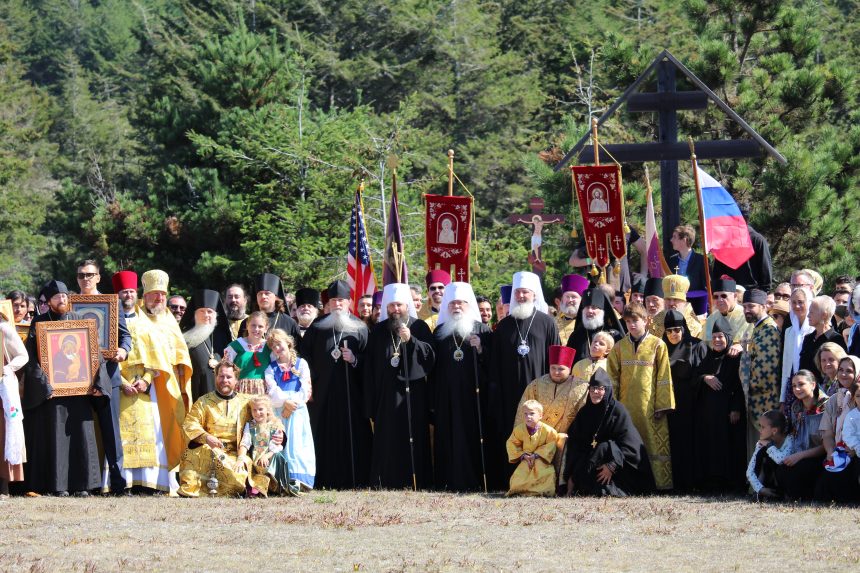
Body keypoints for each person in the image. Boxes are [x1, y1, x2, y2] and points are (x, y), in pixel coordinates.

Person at [22, 280, 112, 496]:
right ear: (49, 301)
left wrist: (99, 382)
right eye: (56, 297)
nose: (61, 300)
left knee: (81, 434)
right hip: (52, 394)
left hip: (80, 392)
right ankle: (58, 486)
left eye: (64, 296)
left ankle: (83, 486)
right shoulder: (39, 323)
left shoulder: (81, 322)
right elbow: (31, 360)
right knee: (56, 438)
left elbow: (94, 355)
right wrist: (45, 385)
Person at [112, 269, 192, 494]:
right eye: (154, 293)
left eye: (162, 294)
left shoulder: (156, 321)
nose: (159, 298)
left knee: (153, 432)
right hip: (121, 383)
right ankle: (124, 481)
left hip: (151, 385)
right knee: (122, 432)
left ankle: (153, 480)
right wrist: (121, 380)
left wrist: (147, 379)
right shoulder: (118, 318)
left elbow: (162, 356)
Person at [488, 271, 560, 489]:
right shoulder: (504, 326)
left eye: (525, 292)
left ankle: (540, 481)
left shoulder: (547, 322)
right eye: (517, 292)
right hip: (509, 393)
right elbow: (494, 363)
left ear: (533, 294)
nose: (520, 296)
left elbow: (554, 359)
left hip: (539, 394)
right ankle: (510, 480)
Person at [299, 280, 371, 489]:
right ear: (328, 304)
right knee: (323, 436)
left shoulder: (360, 328)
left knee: (354, 435)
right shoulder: (317, 327)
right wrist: (308, 386)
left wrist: (355, 359)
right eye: (333, 301)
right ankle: (322, 479)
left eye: (341, 300)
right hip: (323, 395)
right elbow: (304, 358)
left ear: (349, 302)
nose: (337, 304)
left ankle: (355, 479)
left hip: (352, 394)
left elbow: (371, 361)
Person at [364, 283, 435, 489]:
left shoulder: (419, 327)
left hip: (414, 396)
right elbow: (369, 369)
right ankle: (387, 481)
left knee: (414, 437)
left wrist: (411, 340)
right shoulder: (378, 330)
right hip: (385, 397)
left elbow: (430, 357)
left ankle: (416, 481)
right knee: (387, 439)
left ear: (407, 306)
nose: (396, 310)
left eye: (400, 305)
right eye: (392, 305)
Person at [77, 261, 134, 493]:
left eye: (90, 275)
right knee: (81, 430)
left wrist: (123, 350)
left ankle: (118, 482)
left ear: (99, 277)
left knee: (111, 431)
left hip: (108, 375)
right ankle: (84, 483)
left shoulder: (112, 303)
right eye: (81, 275)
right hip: (78, 378)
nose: (86, 279)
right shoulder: (70, 303)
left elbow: (125, 336)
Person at [431, 282, 492, 492]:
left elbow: (494, 365)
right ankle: (447, 481)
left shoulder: (482, 329)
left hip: (474, 396)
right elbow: (432, 366)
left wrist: (482, 348)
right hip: (446, 396)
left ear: (469, 305)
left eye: (461, 303)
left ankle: (475, 480)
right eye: (452, 303)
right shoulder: (440, 331)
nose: (456, 306)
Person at [607, 302, 675, 490]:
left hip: (650, 407)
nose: (631, 324)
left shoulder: (657, 345)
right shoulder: (619, 347)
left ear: (646, 320)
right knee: (628, 444)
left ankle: (659, 484)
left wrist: (662, 405)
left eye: (635, 320)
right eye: (628, 321)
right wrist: (614, 406)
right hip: (626, 406)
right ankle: (630, 484)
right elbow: (612, 377)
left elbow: (664, 376)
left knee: (653, 445)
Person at [564, 370, 655, 497]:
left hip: (618, 465)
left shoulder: (618, 411)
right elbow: (576, 442)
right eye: (592, 388)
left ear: (607, 390)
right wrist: (572, 473)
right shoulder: (585, 413)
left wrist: (612, 465)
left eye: (600, 388)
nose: (595, 392)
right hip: (593, 460)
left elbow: (630, 446)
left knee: (605, 446)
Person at [515, 345, 587, 490]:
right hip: (538, 439)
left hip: (566, 439)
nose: (556, 372)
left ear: (569, 368)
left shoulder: (581, 387)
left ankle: (562, 486)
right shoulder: (536, 385)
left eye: (561, 369)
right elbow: (522, 412)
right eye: (553, 368)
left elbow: (584, 419)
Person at [178, 361, 255, 497]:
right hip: (207, 451)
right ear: (215, 377)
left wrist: (278, 433)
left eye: (229, 377)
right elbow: (190, 423)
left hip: (235, 454)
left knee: (238, 480)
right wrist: (206, 437)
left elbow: (266, 418)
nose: (224, 380)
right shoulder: (204, 401)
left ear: (236, 379)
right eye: (221, 376)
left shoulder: (246, 402)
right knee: (192, 460)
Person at [693, 316, 746, 492]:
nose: (717, 340)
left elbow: (739, 385)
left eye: (721, 337)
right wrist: (704, 378)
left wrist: (736, 408)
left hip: (727, 412)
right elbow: (695, 377)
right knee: (709, 447)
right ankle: (710, 482)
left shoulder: (735, 358)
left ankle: (729, 483)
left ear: (728, 338)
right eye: (714, 336)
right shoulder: (706, 357)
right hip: (707, 415)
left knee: (728, 447)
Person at [662, 310, 707, 492]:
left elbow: (702, 372)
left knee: (691, 444)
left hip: (691, 405)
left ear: (684, 329)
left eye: (677, 330)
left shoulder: (696, 346)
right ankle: (674, 483)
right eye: (669, 330)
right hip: (668, 406)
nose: (674, 334)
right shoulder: (660, 348)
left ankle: (693, 483)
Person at [265, 330, 315, 491]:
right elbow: (272, 390)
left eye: (279, 344)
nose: (277, 348)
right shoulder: (271, 369)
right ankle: (282, 480)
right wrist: (285, 403)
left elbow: (306, 388)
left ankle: (299, 479)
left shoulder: (301, 364)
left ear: (288, 343)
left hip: (298, 412)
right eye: (273, 346)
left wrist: (292, 404)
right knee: (282, 443)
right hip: (280, 412)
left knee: (298, 443)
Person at [739, 288, 783, 459]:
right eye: (744, 307)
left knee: (764, 446)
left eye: (751, 306)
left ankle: (762, 484)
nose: (747, 310)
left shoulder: (769, 331)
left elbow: (766, 372)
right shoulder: (758, 328)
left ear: (764, 306)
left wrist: (748, 384)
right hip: (757, 400)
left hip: (764, 400)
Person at [813, 355, 860, 503]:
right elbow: (827, 433)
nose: (844, 374)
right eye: (841, 370)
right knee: (822, 486)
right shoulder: (834, 399)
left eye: (849, 370)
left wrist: (854, 449)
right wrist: (832, 453)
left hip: (857, 451)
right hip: (839, 452)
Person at [776, 370, 827, 501]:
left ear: (813, 385)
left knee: (800, 469)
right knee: (780, 466)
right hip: (800, 453)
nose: (797, 389)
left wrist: (799, 456)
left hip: (820, 455)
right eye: (794, 386)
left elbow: (825, 445)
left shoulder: (826, 407)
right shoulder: (796, 407)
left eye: (801, 384)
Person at [505, 400, 565, 496]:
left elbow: (551, 444)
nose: (528, 417)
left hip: (541, 459)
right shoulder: (519, 429)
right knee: (520, 475)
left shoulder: (549, 431)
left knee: (544, 474)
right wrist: (523, 455)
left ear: (540, 416)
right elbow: (512, 443)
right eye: (525, 414)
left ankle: (540, 492)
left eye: (532, 413)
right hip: (527, 459)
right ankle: (519, 491)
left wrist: (537, 455)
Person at [182, 289, 232, 402]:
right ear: (195, 314)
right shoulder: (185, 336)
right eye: (201, 311)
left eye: (209, 311)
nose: (206, 315)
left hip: (221, 388)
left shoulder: (223, 336)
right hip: (194, 388)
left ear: (215, 315)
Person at [236, 396, 290, 497]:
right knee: (249, 463)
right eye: (254, 410)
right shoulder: (250, 425)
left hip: (270, 457)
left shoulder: (275, 425)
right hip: (256, 457)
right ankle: (256, 486)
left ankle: (274, 486)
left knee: (276, 457)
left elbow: (277, 446)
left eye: (260, 409)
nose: (257, 413)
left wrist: (266, 456)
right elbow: (245, 442)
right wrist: (241, 457)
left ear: (268, 410)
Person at [710, 210, 773, 292]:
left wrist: (759, 297)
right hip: (728, 293)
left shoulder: (757, 240)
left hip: (751, 296)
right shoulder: (725, 241)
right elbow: (717, 274)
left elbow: (766, 277)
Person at [0, 314, 27, 498]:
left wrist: (7, 369)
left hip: (1, 389)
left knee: (2, 435)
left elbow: (22, 355)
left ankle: (3, 486)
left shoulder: (3, 328)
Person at [780, 287, 815, 415]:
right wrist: (782, 398)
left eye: (801, 302)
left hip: (810, 386)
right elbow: (785, 366)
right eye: (793, 302)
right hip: (792, 386)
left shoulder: (814, 329)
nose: (797, 306)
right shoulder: (789, 331)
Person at [746, 409, 793, 501]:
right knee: (761, 454)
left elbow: (781, 460)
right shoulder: (761, 443)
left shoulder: (790, 440)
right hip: (769, 482)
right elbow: (750, 471)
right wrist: (760, 489)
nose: (760, 430)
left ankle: (786, 495)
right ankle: (762, 493)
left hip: (787, 478)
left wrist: (769, 446)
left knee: (782, 467)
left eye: (762, 427)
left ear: (774, 430)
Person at [565, 288, 624, 360]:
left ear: (602, 311)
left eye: (594, 307)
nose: (589, 311)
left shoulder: (614, 335)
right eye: (587, 307)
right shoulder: (576, 336)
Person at [237, 273, 301, 341]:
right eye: (260, 294)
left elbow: (296, 351)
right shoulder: (247, 322)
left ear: (276, 297)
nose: (263, 296)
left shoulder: (290, 323)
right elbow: (239, 349)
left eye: (267, 293)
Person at [797, 295, 846, 381]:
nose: (808, 316)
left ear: (824, 315)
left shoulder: (836, 339)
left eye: (811, 312)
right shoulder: (808, 338)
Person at [224, 311, 272, 396]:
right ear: (247, 325)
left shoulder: (269, 347)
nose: (256, 329)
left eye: (260, 326)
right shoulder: (235, 346)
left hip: (263, 391)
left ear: (266, 328)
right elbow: (225, 369)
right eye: (253, 325)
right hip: (240, 389)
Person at [648, 274, 703, 339]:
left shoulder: (695, 326)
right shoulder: (654, 323)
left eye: (675, 300)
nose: (671, 303)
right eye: (668, 299)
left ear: (683, 302)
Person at [703, 277, 750, 349]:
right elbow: (703, 342)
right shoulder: (712, 318)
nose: (719, 300)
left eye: (723, 296)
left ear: (734, 296)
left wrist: (740, 345)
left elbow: (749, 341)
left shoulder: (745, 315)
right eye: (716, 297)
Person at [667, 225, 708, 291]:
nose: (671, 240)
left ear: (684, 240)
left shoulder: (701, 261)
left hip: (695, 300)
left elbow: (707, 287)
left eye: (674, 237)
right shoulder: (671, 260)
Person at [555, 274, 589, 345]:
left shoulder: (588, 321)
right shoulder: (553, 322)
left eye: (574, 297)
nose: (570, 300)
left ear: (582, 300)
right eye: (567, 296)